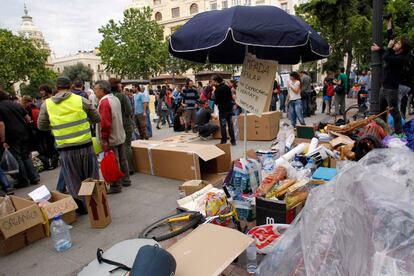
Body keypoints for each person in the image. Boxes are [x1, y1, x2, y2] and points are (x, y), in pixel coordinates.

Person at [38, 76, 100, 214]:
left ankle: (82, 206)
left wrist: (56, 127)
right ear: (70, 85)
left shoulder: (47, 104)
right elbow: (97, 117)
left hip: (66, 149)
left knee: (72, 178)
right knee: (91, 176)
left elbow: (41, 126)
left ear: (56, 87)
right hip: (85, 145)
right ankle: (95, 203)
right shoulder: (81, 100)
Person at [371, 16, 411, 134]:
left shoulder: (402, 59)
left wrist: (387, 48)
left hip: (391, 89)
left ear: (402, 49)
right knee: (381, 111)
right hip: (385, 87)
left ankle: (399, 133)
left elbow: (387, 57)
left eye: (398, 43)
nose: (396, 43)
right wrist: (389, 23)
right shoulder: (396, 54)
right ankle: (382, 132)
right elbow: (390, 40)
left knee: (395, 112)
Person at [95, 80, 131, 194]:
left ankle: (116, 185)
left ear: (102, 90)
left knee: (113, 161)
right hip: (119, 134)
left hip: (111, 136)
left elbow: (105, 123)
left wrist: (104, 139)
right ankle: (126, 179)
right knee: (122, 159)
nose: (95, 91)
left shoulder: (104, 102)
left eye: (96, 89)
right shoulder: (114, 99)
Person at [0, 90, 40, 188]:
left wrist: (3, 140)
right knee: (26, 155)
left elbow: (1, 124)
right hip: (24, 132)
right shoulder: (16, 104)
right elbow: (27, 118)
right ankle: (34, 177)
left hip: (11, 135)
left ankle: (23, 181)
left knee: (17, 158)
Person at [108, 78, 134, 175]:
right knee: (127, 146)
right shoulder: (122, 96)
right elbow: (128, 111)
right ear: (117, 86)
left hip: (114, 126)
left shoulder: (107, 98)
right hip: (125, 123)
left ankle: (119, 170)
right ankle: (130, 168)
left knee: (118, 149)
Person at [212, 75, 236, 145]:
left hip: (222, 110)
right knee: (230, 125)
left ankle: (224, 140)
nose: (212, 82)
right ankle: (233, 140)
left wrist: (214, 95)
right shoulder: (227, 87)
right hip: (229, 109)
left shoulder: (217, 90)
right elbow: (231, 98)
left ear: (216, 81)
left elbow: (216, 102)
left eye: (213, 81)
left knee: (223, 125)